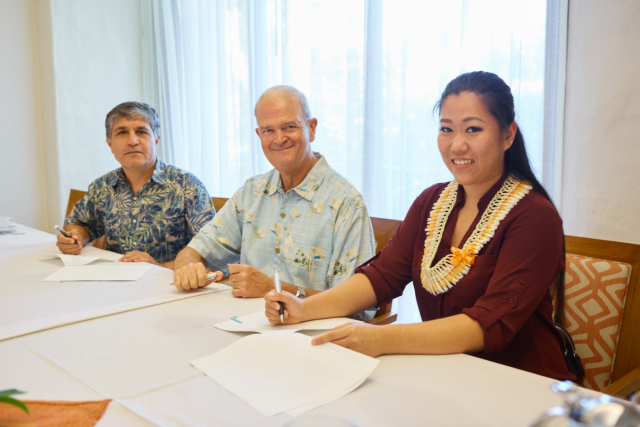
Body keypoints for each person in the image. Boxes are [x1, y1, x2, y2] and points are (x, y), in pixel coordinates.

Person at [265, 72, 574, 381]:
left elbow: (489, 323)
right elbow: (381, 277)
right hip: (445, 373)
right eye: (446, 130)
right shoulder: (432, 202)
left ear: (508, 135)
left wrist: (381, 338)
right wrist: (304, 309)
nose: (457, 145)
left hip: (524, 384)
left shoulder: (535, 217)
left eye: (473, 129)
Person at [173, 85, 375, 300]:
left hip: (309, 331)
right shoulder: (251, 192)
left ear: (311, 128)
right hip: (243, 323)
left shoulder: (346, 204)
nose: (279, 139)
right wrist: (188, 267)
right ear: (259, 134)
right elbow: (194, 251)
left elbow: (355, 304)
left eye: (289, 127)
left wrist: (275, 289)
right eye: (269, 130)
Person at [57, 102, 215, 269]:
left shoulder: (188, 187)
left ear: (156, 140)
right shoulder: (102, 187)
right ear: (110, 144)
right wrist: (74, 238)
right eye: (122, 132)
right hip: (114, 280)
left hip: (171, 285)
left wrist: (157, 266)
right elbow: (80, 224)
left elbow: (212, 253)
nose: (132, 141)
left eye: (142, 132)